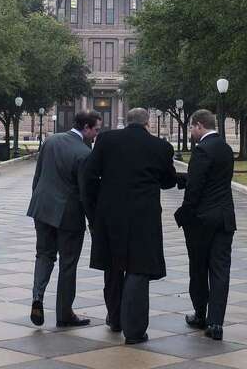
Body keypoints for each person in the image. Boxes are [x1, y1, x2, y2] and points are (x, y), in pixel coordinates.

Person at [82, 107, 177, 344]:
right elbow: (167, 181)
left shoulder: (106, 140)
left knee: (113, 267)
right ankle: (134, 331)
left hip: (110, 215)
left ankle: (115, 319)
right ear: (148, 123)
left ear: (128, 122)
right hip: (143, 217)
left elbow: (89, 175)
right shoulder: (161, 147)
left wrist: (93, 212)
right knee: (138, 268)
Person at [26, 110, 102, 327]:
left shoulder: (51, 141)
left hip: (42, 208)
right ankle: (64, 313)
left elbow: (38, 176)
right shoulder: (85, 153)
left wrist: (38, 202)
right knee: (68, 265)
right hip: (69, 215)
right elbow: (85, 192)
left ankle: (37, 298)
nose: (97, 134)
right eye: (96, 129)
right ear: (86, 128)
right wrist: (93, 221)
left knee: (43, 255)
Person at [173, 108, 235, 341]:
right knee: (220, 271)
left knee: (198, 268)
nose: (191, 132)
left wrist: (183, 215)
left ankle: (200, 314)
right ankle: (216, 322)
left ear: (199, 125)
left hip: (202, 221)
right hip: (224, 217)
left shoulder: (201, 150)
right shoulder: (225, 149)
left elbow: (195, 189)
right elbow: (215, 179)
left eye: (191, 127)